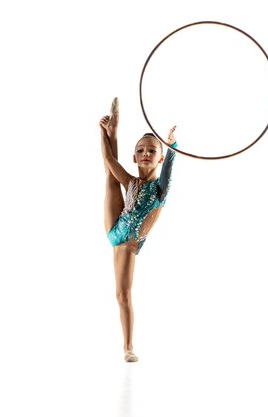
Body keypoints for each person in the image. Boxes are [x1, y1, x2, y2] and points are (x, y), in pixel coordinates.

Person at [99, 97, 178, 362]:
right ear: (134, 157)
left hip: (128, 242)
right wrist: (106, 132)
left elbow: (168, 170)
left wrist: (171, 144)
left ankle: (128, 346)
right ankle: (115, 128)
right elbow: (109, 159)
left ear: (160, 157)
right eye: (141, 150)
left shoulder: (160, 190)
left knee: (122, 295)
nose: (146, 154)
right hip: (116, 226)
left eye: (152, 151)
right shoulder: (131, 180)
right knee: (110, 174)